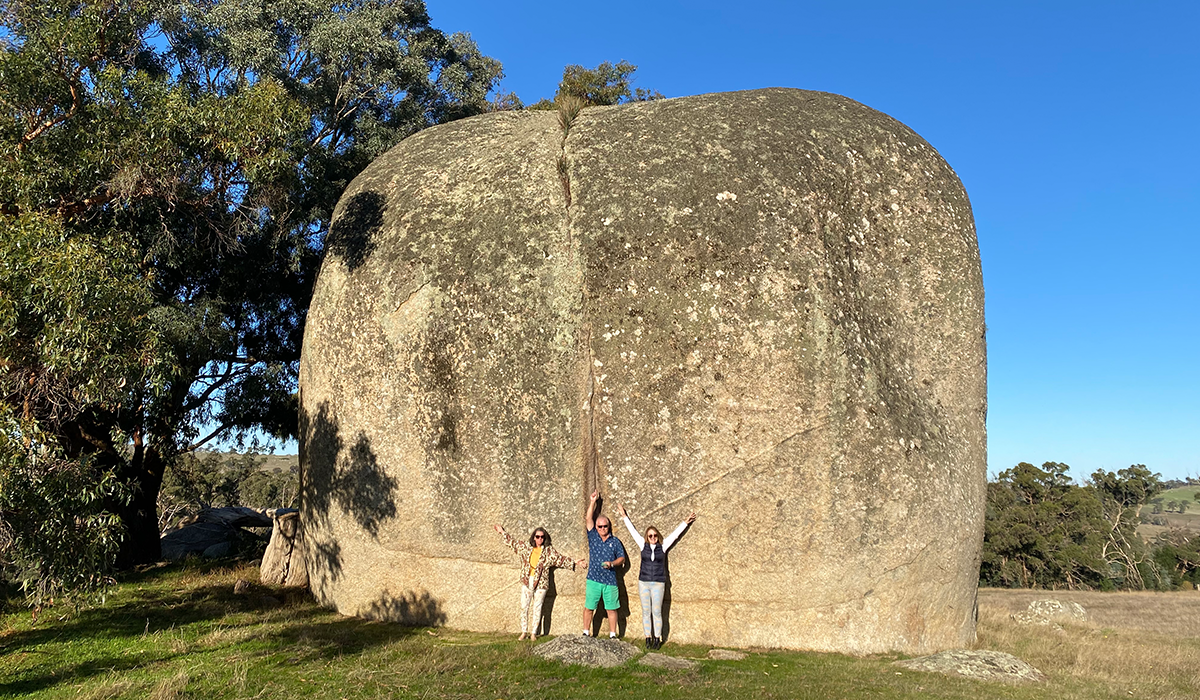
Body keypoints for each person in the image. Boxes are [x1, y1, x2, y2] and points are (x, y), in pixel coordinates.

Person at [615, 502, 696, 650]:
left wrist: (686, 521)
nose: (652, 537)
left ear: (658, 536)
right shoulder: (642, 544)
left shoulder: (663, 546)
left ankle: (657, 638)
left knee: (657, 611)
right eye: (650, 535)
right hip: (643, 582)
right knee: (646, 611)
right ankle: (648, 638)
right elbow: (632, 531)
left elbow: (675, 534)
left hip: (658, 583)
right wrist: (624, 515)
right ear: (647, 536)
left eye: (654, 535)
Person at [493, 523, 585, 640]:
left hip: (541, 583)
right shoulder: (526, 547)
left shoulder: (549, 551)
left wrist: (576, 562)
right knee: (524, 606)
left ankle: (533, 633)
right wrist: (502, 532)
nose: (539, 539)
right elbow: (513, 543)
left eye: (542, 537)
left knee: (538, 607)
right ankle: (523, 631)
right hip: (527, 581)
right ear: (533, 537)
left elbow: (560, 559)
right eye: (537, 536)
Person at [582, 489, 626, 638]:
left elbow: (622, 558)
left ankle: (613, 635)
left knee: (612, 609)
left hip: (610, 581)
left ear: (609, 527)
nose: (602, 529)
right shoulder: (593, 536)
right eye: (600, 526)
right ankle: (586, 632)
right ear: (596, 527)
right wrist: (593, 502)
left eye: (605, 526)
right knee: (589, 607)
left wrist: (612, 563)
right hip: (593, 578)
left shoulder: (615, 541)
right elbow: (588, 518)